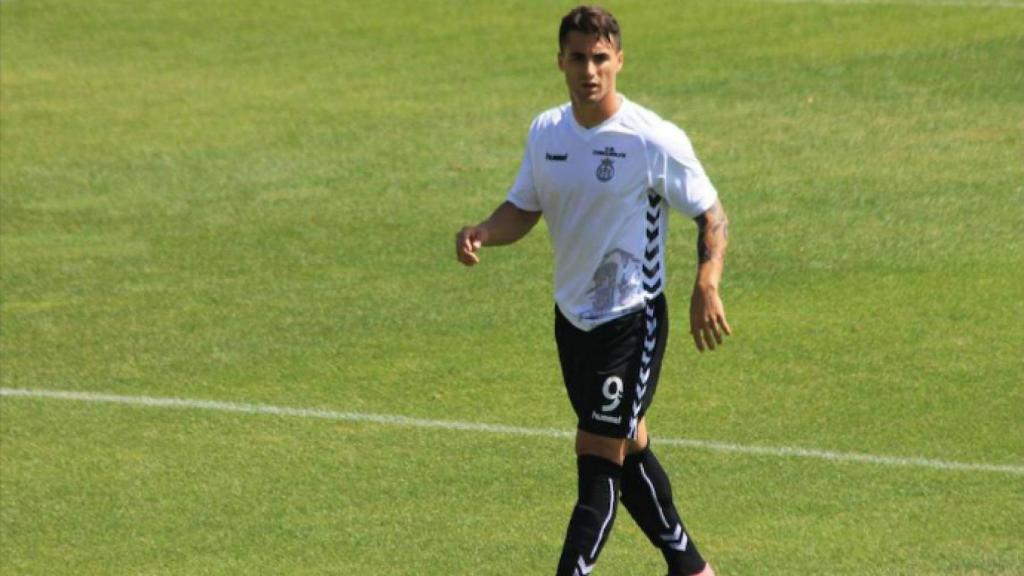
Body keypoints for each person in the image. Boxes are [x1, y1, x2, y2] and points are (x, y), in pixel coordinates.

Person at [454, 6, 730, 576]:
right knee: (630, 447)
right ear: (560, 61)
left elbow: (711, 213)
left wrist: (706, 282)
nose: (589, 70)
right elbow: (524, 206)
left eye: (600, 58)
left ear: (620, 61)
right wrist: (484, 231)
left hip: (632, 321)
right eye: (578, 58)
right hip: (572, 321)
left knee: (597, 457)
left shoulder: (650, 139)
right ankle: (692, 568)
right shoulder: (547, 132)